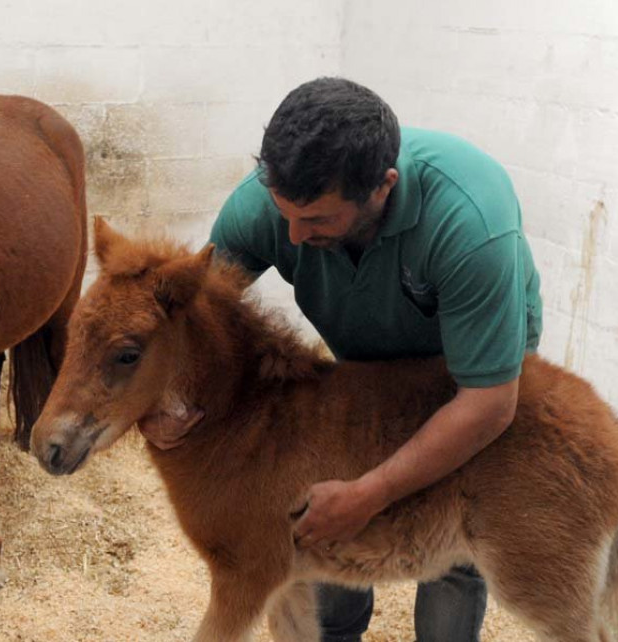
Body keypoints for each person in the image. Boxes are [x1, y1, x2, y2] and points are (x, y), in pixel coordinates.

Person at [139, 77, 542, 641]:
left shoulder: (469, 223)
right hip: (359, 368)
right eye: (287, 216)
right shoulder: (264, 208)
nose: (296, 238)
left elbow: (489, 403)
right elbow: (191, 322)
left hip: (459, 370)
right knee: (324, 518)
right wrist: (166, 399)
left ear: (382, 188)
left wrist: (369, 494)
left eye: (319, 221)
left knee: (452, 541)